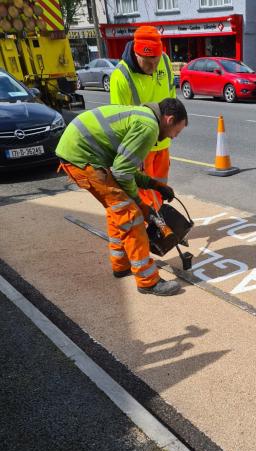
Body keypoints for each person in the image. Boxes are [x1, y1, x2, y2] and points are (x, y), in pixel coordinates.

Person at [56, 98, 188, 297]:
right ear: (169, 119)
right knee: (131, 216)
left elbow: (123, 168)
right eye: (176, 132)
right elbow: (121, 172)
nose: (174, 137)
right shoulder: (148, 127)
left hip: (81, 154)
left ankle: (121, 265)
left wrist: (155, 185)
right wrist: (141, 204)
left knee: (117, 211)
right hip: (83, 159)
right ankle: (148, 281)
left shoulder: (143, 117)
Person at [110, 25, 177, 211]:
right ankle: (151, 227)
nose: (154, 68)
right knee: (142, 191)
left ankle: (158, 221)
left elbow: (172, 97)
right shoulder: (121, 76)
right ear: (137, 54)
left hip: (162, 143)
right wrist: (131, 152)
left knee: (160, 186)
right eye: (148, 63)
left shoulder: (164, 60)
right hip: (140, 146)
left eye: (156, 61)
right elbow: (118, 121)